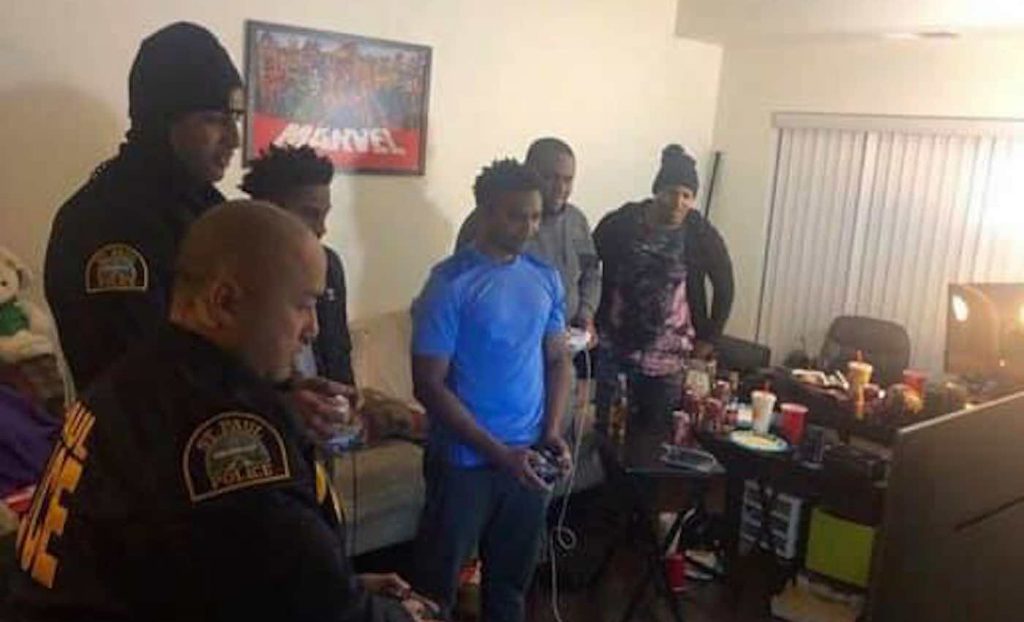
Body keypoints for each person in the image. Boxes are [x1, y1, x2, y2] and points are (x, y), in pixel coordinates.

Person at [11, 201, 438, 622]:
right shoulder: (220, 430)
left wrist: (347, 585)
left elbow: (234, 571)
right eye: (303, 305)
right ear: (225, 303)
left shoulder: (134, 378)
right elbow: (322, 609)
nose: (313, 329)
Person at [411, 159, 573, 621]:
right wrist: (499, 453)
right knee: (434, 593)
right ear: (484, 213)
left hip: (528, 459)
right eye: (516, 216)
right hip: (464, 464)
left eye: (535, 217)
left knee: (509, 589)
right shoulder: (449, 283)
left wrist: (552, 431)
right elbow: (428, 385)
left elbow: (558, 360)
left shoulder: (545, 276)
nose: (528, 227)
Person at [44, 22, 245, 393]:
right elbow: (137, 379)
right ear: (161, 119)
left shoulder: (211, 209)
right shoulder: (101, 221)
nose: (234, 139)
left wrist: (288, 392)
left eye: (235, 119)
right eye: (214, 120)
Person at [593, 145, 734, 426]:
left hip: (670, 361)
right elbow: (587, 264)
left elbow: (725, 285)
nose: (677, 202)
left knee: (654, 435)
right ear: (657, 190)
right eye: (671, 192)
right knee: (607, 428)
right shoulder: (621, 222)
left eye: (686, 195)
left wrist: (710, 337)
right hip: (616, 349)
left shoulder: (700, 234)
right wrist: (587, 315)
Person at [455, 138, 601, 340]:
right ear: (530, 172)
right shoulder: (489, 221)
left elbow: (591, 273)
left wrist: (586, 314)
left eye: (568, 180)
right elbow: (468, 288)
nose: (560, 188)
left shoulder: (577, 221)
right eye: (550, 177)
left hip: (565, 341)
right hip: (507, 343)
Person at [241, 144, 355, 386]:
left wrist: (347, 400)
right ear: (270, 210)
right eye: (310, 214)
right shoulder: (236, 271)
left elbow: (339, 354)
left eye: (324, 215)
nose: (322, 229)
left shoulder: (329, 265)